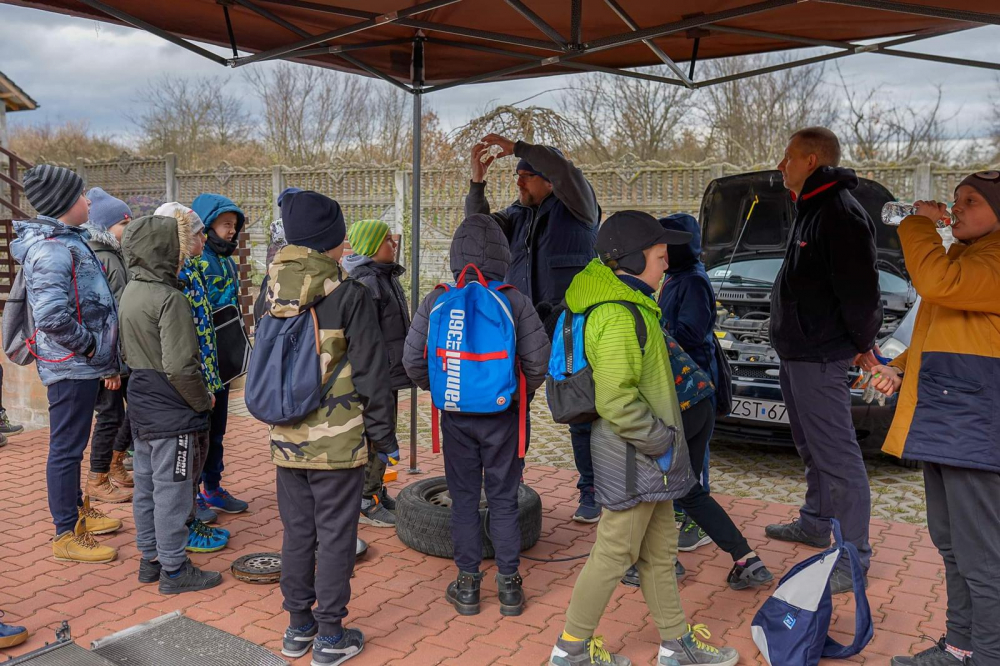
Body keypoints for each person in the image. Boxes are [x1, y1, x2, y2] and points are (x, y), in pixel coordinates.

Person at [549, 211, 738, 666]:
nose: (666, 265)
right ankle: (570, 650)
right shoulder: (618, 314)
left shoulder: (631, 302)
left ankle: (676, 645)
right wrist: (663, 444)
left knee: (659, 551)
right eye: (659, 257)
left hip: (647, 454)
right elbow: (617, 401)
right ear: (632, 261)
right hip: (636, 454)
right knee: (614, 552)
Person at [263, 191, 397, 666]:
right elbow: (372, 376)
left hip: (285, 437)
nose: (347, 244)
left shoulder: (270, 291)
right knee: (337, 534)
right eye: (342, 236)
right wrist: (383, 438)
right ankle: (331, 635)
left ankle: (298, 627)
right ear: (329, 240)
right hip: (338, 442)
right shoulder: (349, 295)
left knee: (298, 532)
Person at [872, 175, 1000, 666]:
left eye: (972, 201)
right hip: (947, 425)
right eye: (957, 199)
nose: (956, 207)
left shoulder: (992, 261)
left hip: (974, 430)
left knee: (982, 557)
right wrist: (900, 368)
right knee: (951, 546)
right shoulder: (970, 256)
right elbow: (946, 330)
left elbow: (935, 283)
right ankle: (960, 646)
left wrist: (918, 223)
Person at [403, 214, 549, 618]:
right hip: (503, 419)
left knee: (464, 501)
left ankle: (467, 586)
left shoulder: (436, 299)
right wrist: (513, 396)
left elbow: (413, 362)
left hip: (455, 417)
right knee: (503, 500)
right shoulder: (514, 300)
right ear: (503, 257)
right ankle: (510, 588)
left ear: (455, 256)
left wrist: (446, 390)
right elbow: (538, 363)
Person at [764, 127, 882, 595]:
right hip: (797, 352)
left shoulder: (839, 213)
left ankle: (854, 556)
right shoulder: (811, 207)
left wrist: (863, 341)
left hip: (820, 355)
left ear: (811, 160)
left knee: (838, 457)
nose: (781, 165)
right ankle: (815, 523)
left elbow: (861, 291)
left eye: (788, 157)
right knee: (811, 447)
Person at [467, 133, 601, 523]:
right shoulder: (516, 215)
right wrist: (477, 182)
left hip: (568, 328)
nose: (519, 181)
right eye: (518, 175)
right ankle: (509, 484)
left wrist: (519, 149)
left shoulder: (579, 207)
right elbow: (477, 230)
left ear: (550, 180)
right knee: (511, 406)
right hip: (521, 327)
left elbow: (565, 171)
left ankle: (591, 492)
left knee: (580, 409)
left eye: (527, 175)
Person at [12, 165, 121, 564]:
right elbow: (52, 316)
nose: (88, 201)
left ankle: (78, 512)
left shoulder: (69, 240)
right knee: (66, 448)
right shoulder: (51, 249)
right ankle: (65, 533)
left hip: (82, 364)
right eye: (80, 195)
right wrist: (91, 347)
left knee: (73, 444)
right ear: (63, 203)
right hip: (70, 365)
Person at [118, 212, 221, 594]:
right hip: (171, 408)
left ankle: (151, 560)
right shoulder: (169, 298)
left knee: (146, 486)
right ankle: (175, 571)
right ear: (165, 251)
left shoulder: (130, 291)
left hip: (142, 400)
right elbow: (180, 366)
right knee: (173, 491)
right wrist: (202, 401)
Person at [623, 333, 773, 592]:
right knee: (688, 491)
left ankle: (661, 562)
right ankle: (747, 559)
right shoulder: (644, 316)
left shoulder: (609, 324)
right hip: (699, 401)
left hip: (674, 411)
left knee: (646, 488)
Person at [155, 202, 230, 553]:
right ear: (181, 238)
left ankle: (191, 514)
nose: (205, 238)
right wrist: (198, 386)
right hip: (187, 385)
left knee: (201, 450)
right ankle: (183, 528)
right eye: (198, 233)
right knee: (184, 462)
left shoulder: (194, 269)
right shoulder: (174, 279)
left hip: (206, 377)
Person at [342, 219, 411, 529]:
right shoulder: (368, 284)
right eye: (386, 240)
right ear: (371, 246)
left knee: (385, 429)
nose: (393, 244)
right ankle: (367, 500)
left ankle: (377, 489)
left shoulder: (384, 276)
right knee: (377, 434)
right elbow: (365, 340)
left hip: (388, 372)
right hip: (377, 375)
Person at [190, 193, 250, 516]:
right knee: (201, 433)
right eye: (226, 224)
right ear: (206, 225)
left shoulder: (227, 260)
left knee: (218, 431)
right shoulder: (198, 261)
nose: (231, 230)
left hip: (223, 364)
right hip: (202, 365)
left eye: (234, 225)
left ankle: (212, 488)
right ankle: (194, 494)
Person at [83, 188, 134, 504]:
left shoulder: (115, 254)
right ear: (104, 226)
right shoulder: (102, 258)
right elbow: (103, 317)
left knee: (133, 410)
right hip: (109, 359)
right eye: (123, 224)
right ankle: (97, 477)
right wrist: (109, 366)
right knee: (110, 416)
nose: (128, 229)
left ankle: (116, 463)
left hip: (122, 355)